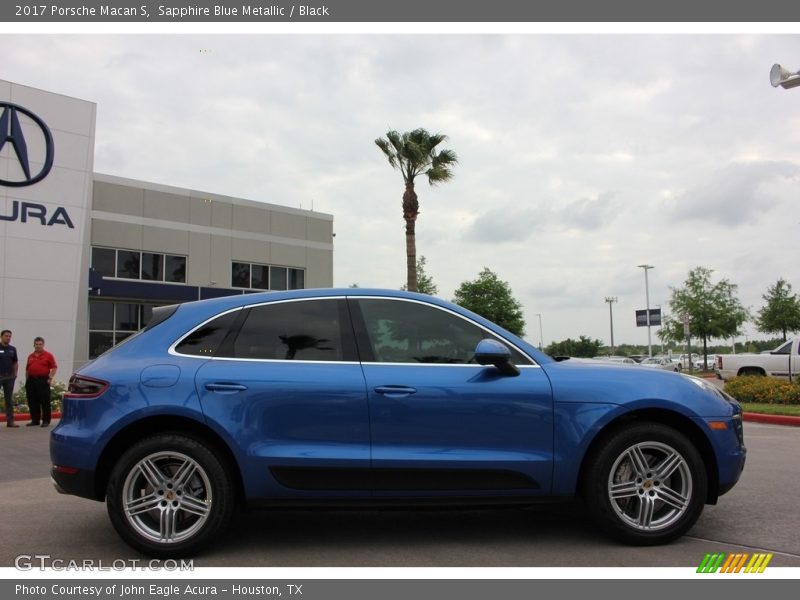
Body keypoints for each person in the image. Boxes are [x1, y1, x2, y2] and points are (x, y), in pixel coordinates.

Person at [25, 337, 57, 428]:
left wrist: (50, 378)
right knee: (32, 401)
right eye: (36, 344)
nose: (38, 346)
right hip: (31, 381)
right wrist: (27, 380)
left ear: (43, 345)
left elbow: (54, 367)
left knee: (45, 401)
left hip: (43, 380)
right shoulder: (30, 356)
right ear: (34, 345)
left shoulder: (48, 355)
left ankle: (46, 420)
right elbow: (27, 369)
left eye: (40, 344)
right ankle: (35, 420)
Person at [0, 330, 19, 428]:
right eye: (6, 336)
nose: (8, 338)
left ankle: (10, 421)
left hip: (9, 378)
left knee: (9, 400)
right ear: (1, 336)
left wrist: (14, 375)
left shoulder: (13, 349)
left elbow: (15, 362)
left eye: (9, 336)